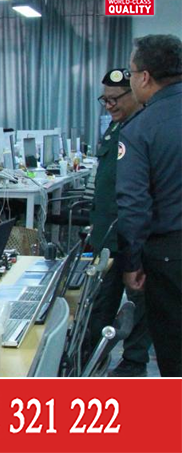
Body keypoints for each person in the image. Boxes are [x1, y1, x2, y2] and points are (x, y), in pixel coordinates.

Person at [116, 34, 182, 378]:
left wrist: (131, 262)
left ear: (145, 77)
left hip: (170, 257)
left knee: (174, 350)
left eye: (130, 73)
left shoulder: (141, 128)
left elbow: (133, 205)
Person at [86, 67, 151, 376]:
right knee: (101, 302)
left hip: (132, 233)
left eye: (115, 99)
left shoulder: (143, 128)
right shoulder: (115, 127)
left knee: (138, 301)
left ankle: (133, 363)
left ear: (135, 93)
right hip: (107, 235)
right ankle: (92, 360)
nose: (109, 105)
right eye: (105, 100)